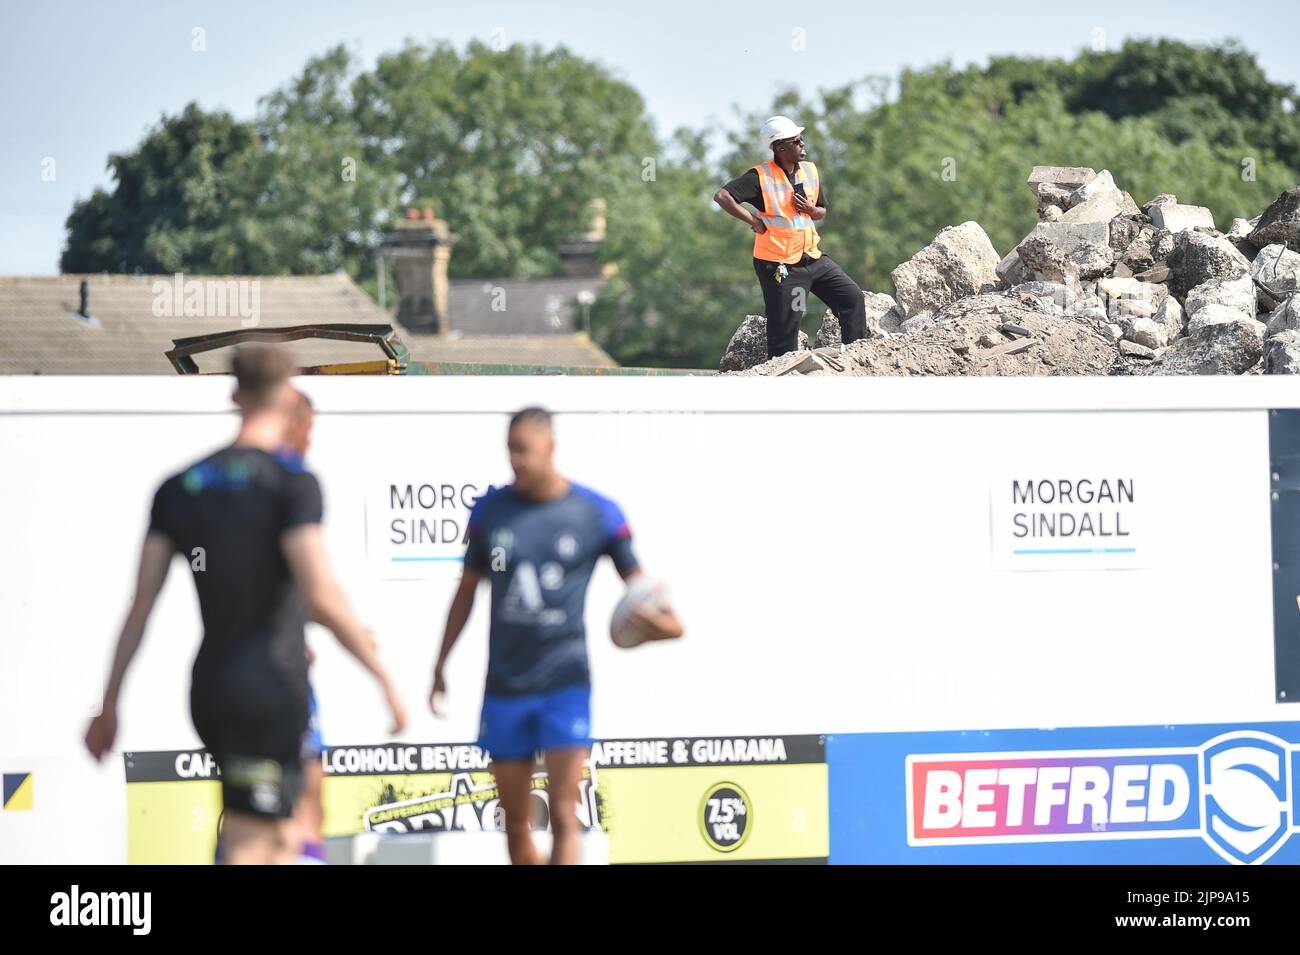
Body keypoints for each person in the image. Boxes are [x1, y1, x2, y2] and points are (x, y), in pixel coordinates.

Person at [85, 346, 406, 864]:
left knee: (281, 836)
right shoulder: (290, 485)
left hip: (211, 687)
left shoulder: (180, 487)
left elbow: (140, 606)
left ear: (235, 394)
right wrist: (384, 678)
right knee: (253, 841)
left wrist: (109, 702)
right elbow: (321, 594)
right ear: (285, 398)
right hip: (270, 683)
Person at [430, 407, 683, 865]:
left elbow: (642, 592)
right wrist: (440, 664)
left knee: (565, 815)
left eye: (525, 449)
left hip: (566, 684)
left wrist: (665, 627)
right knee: (514, 824)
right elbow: (466, 592)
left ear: (550, 447)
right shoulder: (492, 511)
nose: (517, 460)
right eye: (511, 450)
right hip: (505, 686)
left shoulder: (595, 513)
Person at [713, 114, 868, 360]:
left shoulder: (810, 171)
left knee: (852, 299)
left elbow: (821, 211)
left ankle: (859, 361)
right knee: (785, 329)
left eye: (801, 139)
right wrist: (753, 221)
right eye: (796, 141)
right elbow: (722, 197)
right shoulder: (760, 177)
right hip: (779, 264)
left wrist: (810, 209)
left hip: (812, 258)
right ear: (780, 147)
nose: (803, 144)